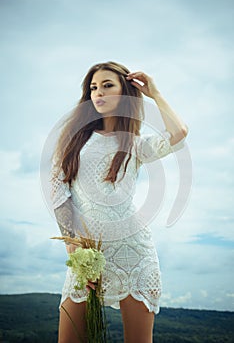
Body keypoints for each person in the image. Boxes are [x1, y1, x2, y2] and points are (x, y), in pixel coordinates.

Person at [50, 61, 188, 343]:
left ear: (125, 92)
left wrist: (155, 93)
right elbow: (57, 191)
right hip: (86, 255)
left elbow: (179, 133)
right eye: (93, 88)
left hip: (134, 253)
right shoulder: (73, 140)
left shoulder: (135, 143)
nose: (98, 93)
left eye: (107, 85)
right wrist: (74, 249)